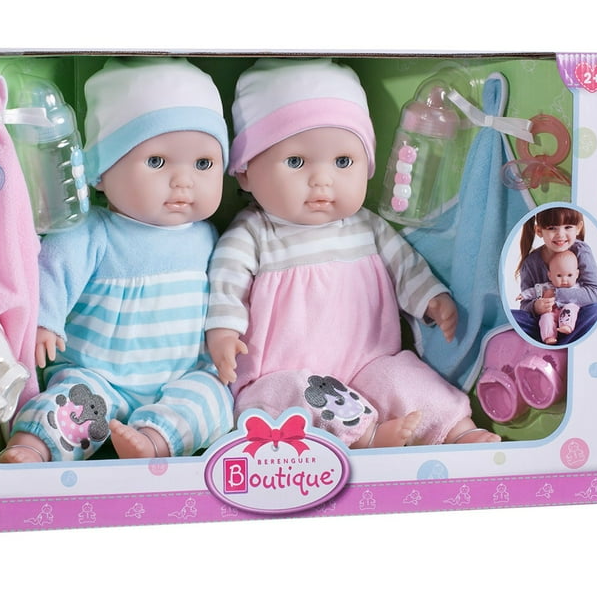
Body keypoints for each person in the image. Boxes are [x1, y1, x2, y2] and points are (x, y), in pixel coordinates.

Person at [206, 58, 499, 448]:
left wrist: (430, 297)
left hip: (369, 363)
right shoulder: (255, 233)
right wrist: (224, 333)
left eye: (343, 162)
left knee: (404, 377)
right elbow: (226, 286)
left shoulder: (365, 225)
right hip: (284, 371)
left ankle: (457, 430)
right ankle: (366, 437)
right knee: (282, 397)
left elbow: (404, 265)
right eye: (296, 162)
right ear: (245, 171)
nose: (322, 179)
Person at [0, 57, 233, 463]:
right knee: (72, 401)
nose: (184, 180)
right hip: (98, 375)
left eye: (203, 164)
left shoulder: (208, 237)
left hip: (180, 377)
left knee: (212, 397)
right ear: (101, 173)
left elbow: (230, 292)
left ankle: (153, 441)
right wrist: (45, 321)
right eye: (157, 162)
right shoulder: (91, 230)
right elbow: (53, 270)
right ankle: (33, 448)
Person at [511, 207, 597, 345]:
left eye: (568, 227)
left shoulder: (581, 251)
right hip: (544, 322)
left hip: (574, 318)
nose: (560, 234)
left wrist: (555, 294)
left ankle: (561, 343)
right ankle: (550, 339)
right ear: (539, 231)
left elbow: (596, 293)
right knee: (513, 317)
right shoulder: (531, 263)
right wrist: (535, 307)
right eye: (552, 228)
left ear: (578, 228)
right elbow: (525, 305)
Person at [518, 249, 583, 344]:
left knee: (571, 307)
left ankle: (566, 325)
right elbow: (534, 291)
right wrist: (523, 295)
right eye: (559, 275)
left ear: (577, 274)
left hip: (566, 311)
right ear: (550, 275)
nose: (564, 280)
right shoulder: (547, 286)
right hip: (551, 311)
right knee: (545, 317)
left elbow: (584, 298)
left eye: (569, 275)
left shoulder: (577, 288)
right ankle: (549, 336)